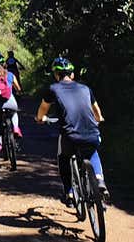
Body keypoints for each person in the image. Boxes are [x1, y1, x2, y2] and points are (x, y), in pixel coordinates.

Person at [35, 57, 109, 204]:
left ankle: (69, 192)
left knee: (63, 157)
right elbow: (97, 111)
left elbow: (42, 110)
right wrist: (99, 119)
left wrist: (40, 119)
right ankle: (100, 180)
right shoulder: (85, 88)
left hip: (70, 137)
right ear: (72, 74)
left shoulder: (53, 89)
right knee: (92, 151)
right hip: (92, 134)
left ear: (56, 75)